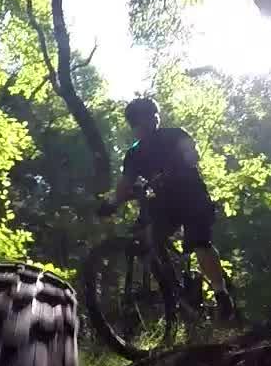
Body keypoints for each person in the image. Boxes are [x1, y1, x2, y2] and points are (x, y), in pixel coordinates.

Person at [96, 97, 238, 320]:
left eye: (154, 116)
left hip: (192, 195)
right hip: (164, 203)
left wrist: (177, 167)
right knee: (148, 237)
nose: (152, 121)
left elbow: (192, 155)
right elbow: (125, 184)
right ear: (136, 124)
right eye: (145, 119)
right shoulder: (133, 154)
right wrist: (112, 203)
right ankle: (171, 289)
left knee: (199, 242)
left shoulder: (175, 135)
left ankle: (221, 294)